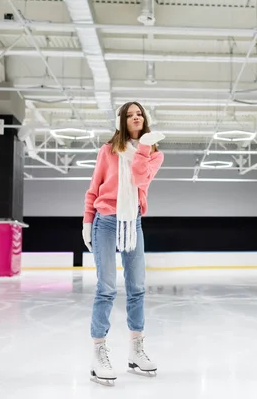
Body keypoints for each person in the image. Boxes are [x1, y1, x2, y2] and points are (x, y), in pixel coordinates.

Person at [81, 101, 165, 386]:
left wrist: (143, 149)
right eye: (130, 115)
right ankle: (98, 353)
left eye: (139, 113)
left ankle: (136, 350)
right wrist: (87, 221)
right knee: (105, 288)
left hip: (133, 222)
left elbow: (140, 178)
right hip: (106, 220)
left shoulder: (154, 154)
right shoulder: (107, 151)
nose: (136, 117)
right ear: (122, 121)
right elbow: (94, 188)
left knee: (137, 287)